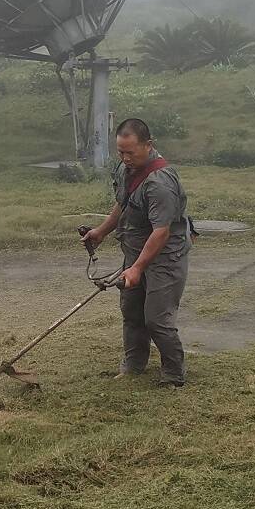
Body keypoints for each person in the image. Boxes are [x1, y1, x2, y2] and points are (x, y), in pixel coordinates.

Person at [82, 118, 193, 386]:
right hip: (134, 251)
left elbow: (161, 232)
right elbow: (124, 204)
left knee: (156, 318)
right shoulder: (125, 170)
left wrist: (137, 268)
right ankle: (134, 364)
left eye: (130, 152)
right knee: (131, 310)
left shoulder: (160, 182)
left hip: (165, 257)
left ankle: (173, 373)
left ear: (148, 145)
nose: (125, 158)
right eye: (120, 151)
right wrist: (101, 231)